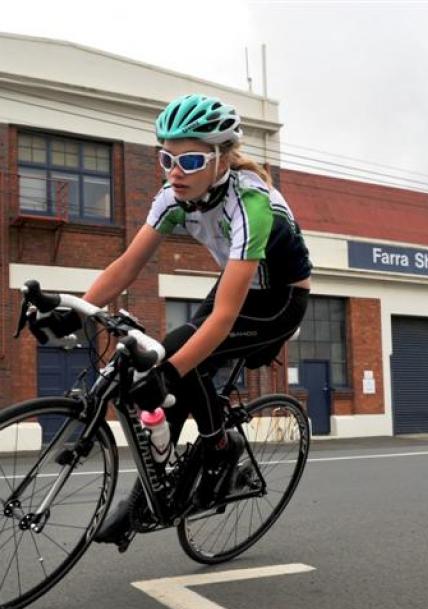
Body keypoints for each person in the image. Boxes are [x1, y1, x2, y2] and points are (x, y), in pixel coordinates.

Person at [29, 93, 312, 547]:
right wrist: (78, 307)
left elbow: (221, 321)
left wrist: (168, 371)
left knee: (176, 361)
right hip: (236, 287)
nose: (174, 172)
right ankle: (157, 490)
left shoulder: (252, 205)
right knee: (167, 364)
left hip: (279, 300)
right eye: (166, 158)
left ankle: (221, 448)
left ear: (221, 159)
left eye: (190, 160)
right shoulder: (173, 195)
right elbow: (126, 265)